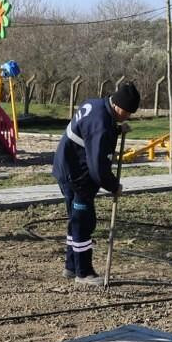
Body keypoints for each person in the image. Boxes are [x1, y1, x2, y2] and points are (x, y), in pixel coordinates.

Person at [53, 81, 139, 286]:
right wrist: (113, 186)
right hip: (78, 176)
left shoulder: (97, 105)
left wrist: (118, 130)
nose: (127, 116)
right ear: (118, 106)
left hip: (66, 168)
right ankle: (84, 273)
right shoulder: (101, 124)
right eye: (126, 113)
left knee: (75, 220)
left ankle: (71, 266)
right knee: (83, 222)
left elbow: (90, 132)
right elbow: (98, 167)